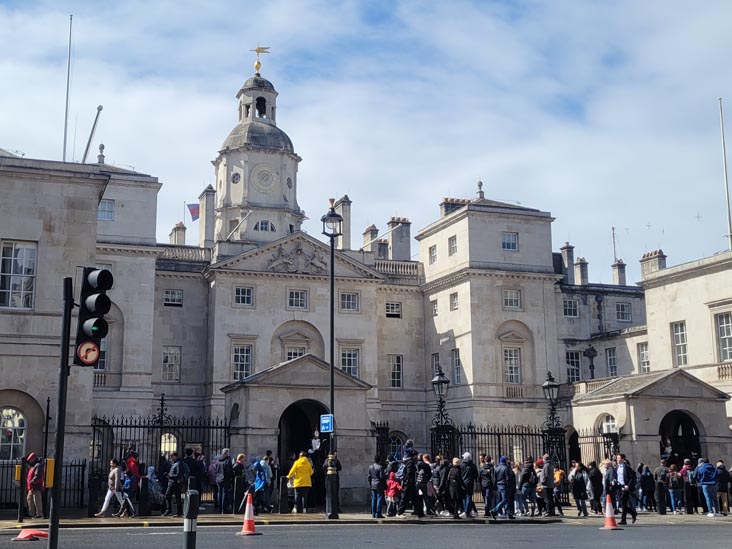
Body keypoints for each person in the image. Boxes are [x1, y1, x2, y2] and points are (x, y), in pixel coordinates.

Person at [397, 449, 423, 518]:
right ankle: (399, 512)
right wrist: (408, 481)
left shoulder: (411, 462)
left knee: (414, 498)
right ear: (414, 456)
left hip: (411, 483)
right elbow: (409, 473)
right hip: (409, 483)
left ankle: (420, 513)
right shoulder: (410, 463)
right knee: (405, 498)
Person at [612, 454, 638, 525]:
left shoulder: (627, 468)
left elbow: (631, 478)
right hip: (619, 487)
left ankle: (624, 520)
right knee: (622, 504)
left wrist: (628, 485)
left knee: (623, 503)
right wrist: (613, 480)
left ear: (623, 459)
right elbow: (615, 476)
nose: (617, 460)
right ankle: (633, 513)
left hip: (625, 487)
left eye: (619, 458)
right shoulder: (616, 467)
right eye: (617, 458)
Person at [162, 452, 186, 517]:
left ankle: (170, 510)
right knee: (176, 497)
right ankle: (177, 512)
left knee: (168, 496)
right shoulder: (175, 463)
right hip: (173, 482)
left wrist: (170, 476)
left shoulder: (178, 464)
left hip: (174, 483)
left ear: (175, 456)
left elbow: (178, 474)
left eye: (172, 456)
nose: (171, 458)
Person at [459, 452, 479, 517]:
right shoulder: (472, 465)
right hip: (470, 483)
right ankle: (467, 511)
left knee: (464, 497)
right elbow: (476, 475)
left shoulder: (461, 465)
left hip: (463, 483)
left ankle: (466, 510)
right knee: (469, 497)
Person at [215, 448, 234, 513]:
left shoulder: (217, 460)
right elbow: (230, 471)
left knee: (219, 493)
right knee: (224, 493)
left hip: (218, 478)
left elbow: (216, 469)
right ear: (227, 453)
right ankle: (223, 508)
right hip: (225, 479)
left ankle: (220, 508)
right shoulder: (228, 461)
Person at [25, 452, 44, 519]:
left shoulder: (38, 465)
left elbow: (37, 475)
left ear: (33, 459)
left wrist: (32, 481)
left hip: (36, 485)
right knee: (29, 499)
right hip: (32, 486)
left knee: (37, 500)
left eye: (30, 460)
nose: (30, 461)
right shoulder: (34, 465)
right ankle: (32, 513)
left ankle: (39, 514)